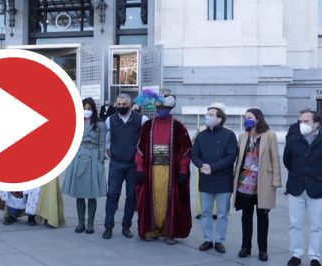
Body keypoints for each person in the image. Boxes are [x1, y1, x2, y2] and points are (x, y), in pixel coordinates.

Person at [283, 109, 322, 266]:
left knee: (317, 226)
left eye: (306, 121)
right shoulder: (293, 140)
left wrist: (320, 176)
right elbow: (287, 161)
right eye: (300, 121)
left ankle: (315, 257)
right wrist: (298, 174)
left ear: (316, 124)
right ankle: (296, 254)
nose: (302, 124)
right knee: (295, 224)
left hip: (318, 188)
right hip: (296, 187)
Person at [134, 88, 192, 244]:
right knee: (152, 200)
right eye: (159, 108)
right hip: (151, 171)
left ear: (170, 108)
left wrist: (183, 170)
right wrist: (139, 168)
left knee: (169, 200)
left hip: (170, 171)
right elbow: (140, 149)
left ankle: (169, 230)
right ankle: (152, 229)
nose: (161, 110)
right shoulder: (147, 126)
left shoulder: (179, 127)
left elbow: (185, 151)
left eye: (164, 108)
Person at [232, 108, 281, 262]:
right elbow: (239, 159)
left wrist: (276, 180)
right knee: (246, 216)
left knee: (262, 217)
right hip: (245, 182)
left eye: (250, 117)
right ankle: (245, 247)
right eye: (245, 117)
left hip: (263, 182)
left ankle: (263, 250)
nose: (246, 119)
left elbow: (275, 159)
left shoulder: (270, 135)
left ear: (258, 119)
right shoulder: (243, 136)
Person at [191, 103, 238, 254]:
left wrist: (213, 167)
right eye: (207, 114)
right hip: (205, 179)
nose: (207, 117)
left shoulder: (229, 135)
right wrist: (201, 165)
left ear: (219, 119)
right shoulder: (201, 135)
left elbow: (231, 156)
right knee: (205, 212)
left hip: (223, 180)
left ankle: (219, 241)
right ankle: (207, 239)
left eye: (211, 115)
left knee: (223, 213)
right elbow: (194, 154)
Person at [102, 93, 147, 239]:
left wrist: (141, 157)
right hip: (116, 163)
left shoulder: (141, 120)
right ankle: (108, 227)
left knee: (131, 196)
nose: (121, 107)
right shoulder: (110, 120)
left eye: (124, 104)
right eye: (119, 104)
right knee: (112, 195)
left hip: (133, 165)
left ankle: (126, 227)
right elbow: (106, 137)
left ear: (130, 105)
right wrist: (108, 149)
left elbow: (146, 139)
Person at [62, 97, 106, 234]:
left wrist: (100, 160)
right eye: (84, 108)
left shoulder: (100, 124)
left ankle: (90, 224)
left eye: (89, 108)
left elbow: (102, 143)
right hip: (79, 157)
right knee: (79, 193)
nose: (86, 110)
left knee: (92, 194)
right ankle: (80, 222)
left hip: (93, 157)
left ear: (93, 110)